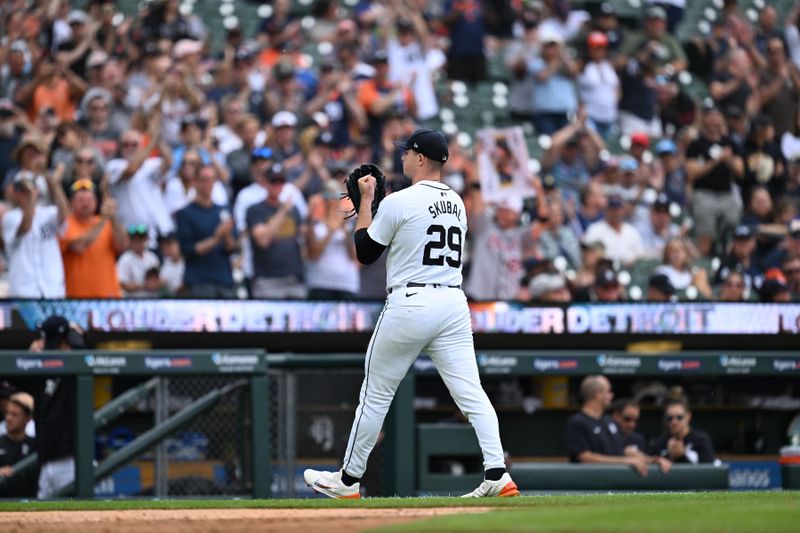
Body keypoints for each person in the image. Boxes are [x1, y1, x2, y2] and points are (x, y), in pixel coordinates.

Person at [303, 129, 519, 499]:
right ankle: (497, 472)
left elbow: (366, 252)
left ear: (421, 159)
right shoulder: (459, 202)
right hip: (452, 302)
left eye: (407, 153)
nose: (402, 158)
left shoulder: (400, 201)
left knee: (376, 394)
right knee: (471, 392)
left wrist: (368, 202)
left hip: (411, 301)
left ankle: (348, 481)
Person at [564, 376, 664, 476]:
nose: (611, 395)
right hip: (591, 484)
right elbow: (585, 457)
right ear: (598, 394)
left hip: (614, 482)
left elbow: (622, 450)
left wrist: (652, 460)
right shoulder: (577, 422)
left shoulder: (609, 421)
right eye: (609, 391)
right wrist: (626, 461)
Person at [28, 316, 84, 499]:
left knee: (75, 515)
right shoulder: (37, 365)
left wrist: (72, 333)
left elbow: (81, 350)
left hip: (68, 458)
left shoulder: (75, 361)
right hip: (45, 457)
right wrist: (29, 359)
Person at [1, 165, 69, 298]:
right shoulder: (10, 217)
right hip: (24, 292)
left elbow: (63, 216)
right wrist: (31, 197)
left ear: (38, 189)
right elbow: (25, 227)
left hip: (52, 289)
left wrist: (55, 185)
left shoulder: (49, 212)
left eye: (30, 188)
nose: (25, 192)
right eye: (21, 189)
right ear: (15, 193)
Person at [175, 165, 238, 298]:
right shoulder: (185, 213)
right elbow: (188, 250)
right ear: (195, 182)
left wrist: (226, 236)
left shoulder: (224, 210)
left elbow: (232, 248)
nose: (207, 184)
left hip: (225, 279)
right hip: (198, 281)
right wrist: (216, 238)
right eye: (203, 180)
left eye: (211, 180)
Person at [60, 179, 128, 298]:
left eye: (89, 199)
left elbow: (123, 245)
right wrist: (103, 219)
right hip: (76, 299)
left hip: (108, 297)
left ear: (96, 202)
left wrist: (113, 218)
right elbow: (78, 246)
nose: (85, 204)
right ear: (71, 203)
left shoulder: (107, 223)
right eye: (80, 200)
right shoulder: (66, 224)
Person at [648, 398, 717, 464]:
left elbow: (707, 472)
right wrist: (670, 456)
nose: (674, 422)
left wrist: (681, 456)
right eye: (669, 418)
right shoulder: (659, 443)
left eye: (679, 417)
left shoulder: (701, 440)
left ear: (688, 416)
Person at [0, 392, 37, 498]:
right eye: (7, 413)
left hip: (33, 503)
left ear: (28, 418)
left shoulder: (35, 444)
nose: (8, 418)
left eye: (15, 414)